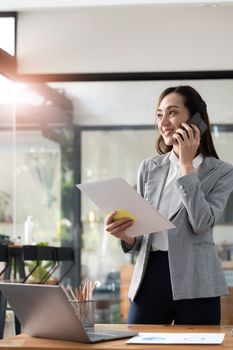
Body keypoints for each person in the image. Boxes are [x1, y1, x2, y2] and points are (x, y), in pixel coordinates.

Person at [105, 85, 233, 325]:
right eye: (159, 114)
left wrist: (186, 167)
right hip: (150, 275)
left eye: (172, 112)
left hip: (198, 280)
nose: (163, 122)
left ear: (196, 119)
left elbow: (202, 223)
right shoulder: (149, 168)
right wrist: (127, 236)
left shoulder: (222, 172)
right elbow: (143, 233)